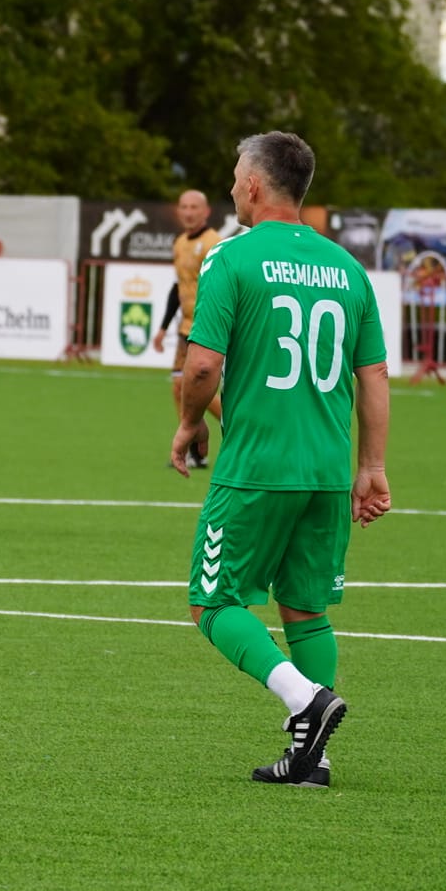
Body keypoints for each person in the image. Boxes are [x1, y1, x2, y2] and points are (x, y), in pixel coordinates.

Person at [170, 132, 391, 788]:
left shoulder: (231, 256)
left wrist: (188, 423)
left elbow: (202, 365)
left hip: (257, 466)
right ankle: (311, 759)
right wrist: (372, 466)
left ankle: (306, 700)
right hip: (326, 468)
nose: (231, 187)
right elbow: (374, 375)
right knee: (305, 609)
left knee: (212, 603)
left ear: (254, 184)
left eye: (236, 176)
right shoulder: (347, 268)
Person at [158, 189, 223, 469]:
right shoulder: (181, 243)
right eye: (183, 207)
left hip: (206, 327)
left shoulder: (213, 243)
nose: (188, 212)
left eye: (194, 207)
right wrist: (163, 327)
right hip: (186, 326)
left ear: (205, 211)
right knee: (179, 387)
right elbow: (178, 287)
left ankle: (236, 425)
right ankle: (194, 450)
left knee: (197, 387)